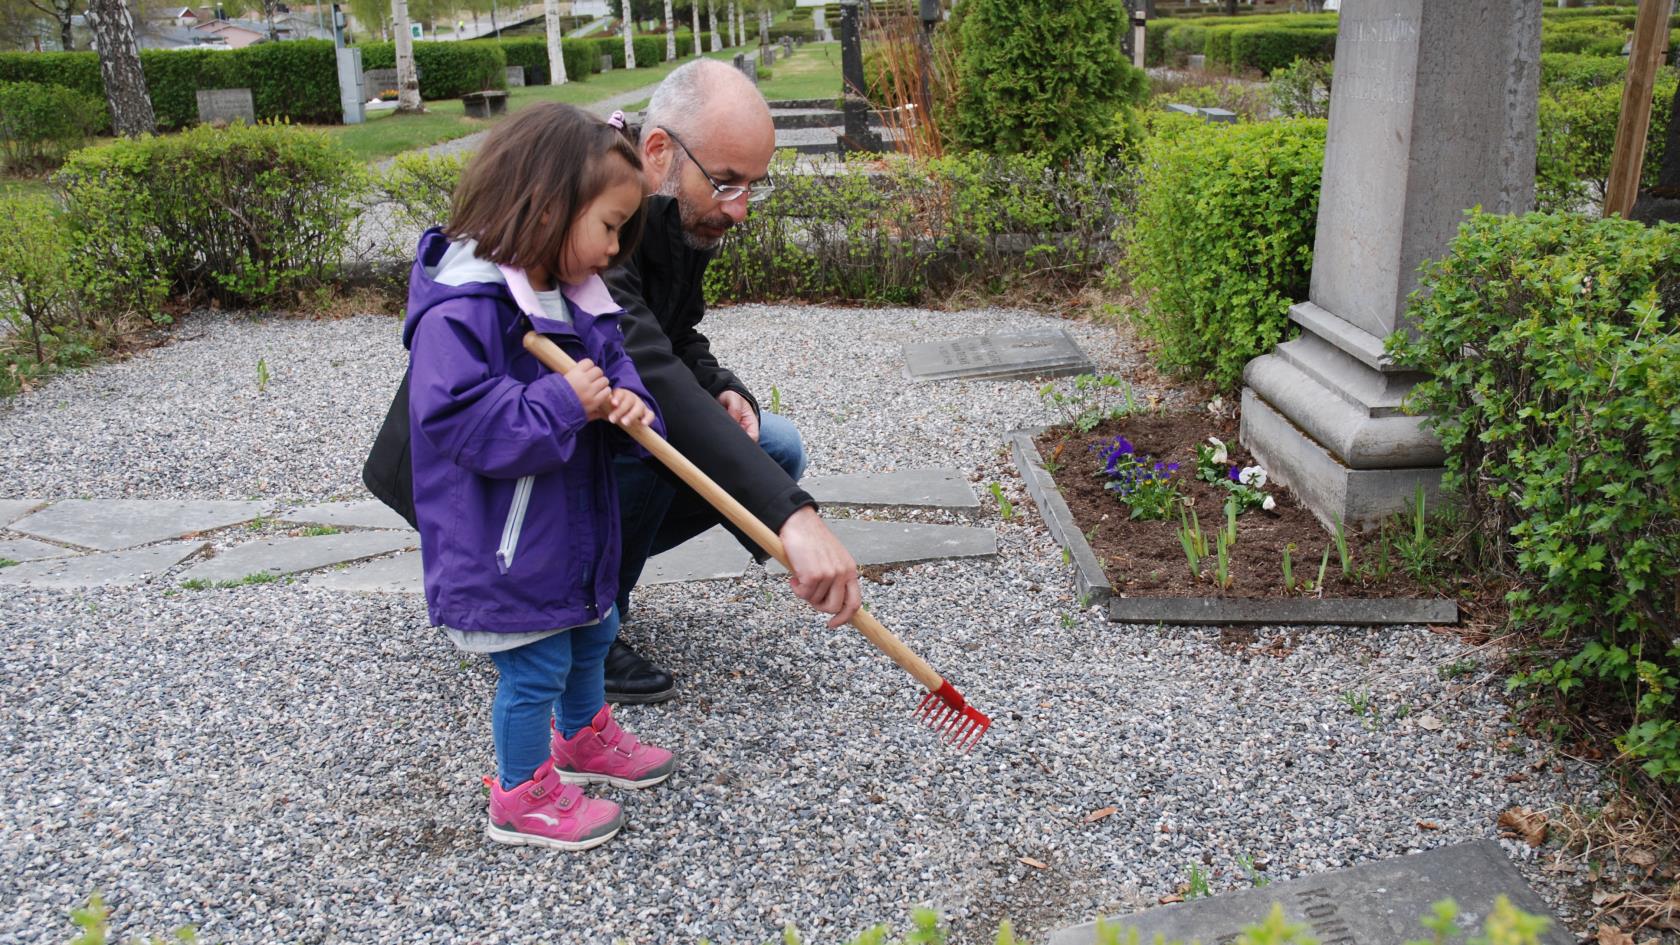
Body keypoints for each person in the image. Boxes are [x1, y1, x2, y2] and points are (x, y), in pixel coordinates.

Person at [404, 103, 674, 851]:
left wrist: (630, 404)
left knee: (596, 629)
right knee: (535, 665)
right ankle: (519, 794)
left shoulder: (572, 290)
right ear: (550, 208)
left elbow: (616, 367)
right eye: (612, 226)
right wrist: (563, 399)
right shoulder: (463, 306)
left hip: (574, 528)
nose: (617, 248)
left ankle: (581, 738)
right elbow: (455, 418)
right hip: (505, 543)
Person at [600, 59, 862, 703]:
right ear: (658, 151)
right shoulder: (590, 218)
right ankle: (578, 620)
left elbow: (676, 338)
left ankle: (593, 586)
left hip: (598, 422)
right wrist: (792, 518)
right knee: (648, 438)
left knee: (774, 444)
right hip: (502, 479)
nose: (740, 210)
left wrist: (726, 389)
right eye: (725, 182)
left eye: (752, 186)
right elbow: (645, 369)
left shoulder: (668, 214)